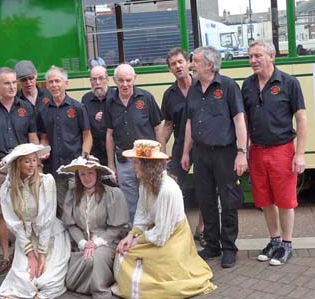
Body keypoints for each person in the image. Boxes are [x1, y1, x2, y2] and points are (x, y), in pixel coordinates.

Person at [111, 140, 216, 299]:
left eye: (136, 163)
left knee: (133, 256)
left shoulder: (166, 189)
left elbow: (161, 235)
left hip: (173, 238)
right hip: (156, 233)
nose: (133, 167)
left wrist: (137, 241)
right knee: (124, 252)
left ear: (147, 165)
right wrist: (131, 236)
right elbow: (142, 213)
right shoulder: (145, 183)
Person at [181, 46, 248, 268]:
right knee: (206, 200)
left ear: (209, 65)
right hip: (201, 154)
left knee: (228, 201)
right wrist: (186, 152)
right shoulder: (193, 89)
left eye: (196, 61)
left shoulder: (227, 86)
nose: (192, 65)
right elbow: (190, 122)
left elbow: (239, 120)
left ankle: (229, 248)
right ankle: (212, 245)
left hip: (225, 153)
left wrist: (241, 153)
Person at [242, 41, 307, 265]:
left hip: (282, 150)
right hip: (257, 151)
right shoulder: (247, 85)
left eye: (258, 56)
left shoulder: (289, 83)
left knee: (285, 200)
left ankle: (287, 245)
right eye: (250, 56)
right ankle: (275, 240)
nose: (253, 61)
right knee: (265, 199)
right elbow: (246, 121)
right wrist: (244, 150)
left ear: (272, 56)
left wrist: (299, 154)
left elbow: (301, 119)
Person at [0, 67, 39, 275]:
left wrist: (37, 164)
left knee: (29, 209)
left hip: (24, 164)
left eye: (14, 82)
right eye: (7, 83)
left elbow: (33, 137)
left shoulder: (26, 108)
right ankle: (5, 256)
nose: (12, 86)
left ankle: (29, 252)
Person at [0, 143, 71, 299]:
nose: (32, 165)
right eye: (27, 161)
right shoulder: (7, 189)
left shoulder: (46, 182)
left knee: (47, 281)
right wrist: (30, 254)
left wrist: (41, 254)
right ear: (18, 164)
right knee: (23, 280)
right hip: (27, 239)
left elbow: (47, 219)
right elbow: (14, 224)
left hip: (51, 236)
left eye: (34, 160)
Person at [59, 155, 128, 299]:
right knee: (76, 267)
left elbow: (117, 229)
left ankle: (99, 287)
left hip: (107, 242)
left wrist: (95, 243)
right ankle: (82, 283)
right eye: (82, 174)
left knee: (93, 259)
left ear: (97, 174)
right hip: (82, 244)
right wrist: (83, 243)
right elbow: (71, 225)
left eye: (90, 173)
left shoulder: (113, 194)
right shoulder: (73, 194)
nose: (87, 178)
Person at [104, 64, 163, 226]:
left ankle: (154, 232)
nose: (125, 84)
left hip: (147, 159)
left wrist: (161, 157)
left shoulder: (146, 98)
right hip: (123, 160)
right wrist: (111, 164)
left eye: (128, 80)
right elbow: (109, 134)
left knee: (151, 198)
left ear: (134, 79)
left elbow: (158, 128)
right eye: (121, 80)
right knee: (130, 203)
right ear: (115, 80)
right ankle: (135, 235)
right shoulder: (109, 102)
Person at [160, 48, 205, 247]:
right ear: (170, 69)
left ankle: (203, 230)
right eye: (173, 64)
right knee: (174, 188)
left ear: (188, 63)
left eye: (180, 62)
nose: (178, 66)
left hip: (204, 143)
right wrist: (160, 151)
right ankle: (180, 231)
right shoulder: (169, 95)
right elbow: (168, 125)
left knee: (207, 188)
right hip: (180, 146)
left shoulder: (203, 85)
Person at [38, 66, 92, 213]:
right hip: (55, 167)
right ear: (47, 85)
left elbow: (87, 136)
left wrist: (83, 158)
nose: (54, 85)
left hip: (75, 166)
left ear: (65, 83)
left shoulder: (78, 107)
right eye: (51, 82)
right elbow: (43, 138)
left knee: (79, 204)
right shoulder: (43, 111)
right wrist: (43, 150)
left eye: (57, 81)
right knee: (63, 207)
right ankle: (67, 235)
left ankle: (83, 235)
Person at [81, 66, 113, 166]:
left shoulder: (116, 97)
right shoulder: (86, 99)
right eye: (94, 79)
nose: (97, 82)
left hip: (114, 151)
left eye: (101, 78)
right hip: (94, 151)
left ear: (107, 79)